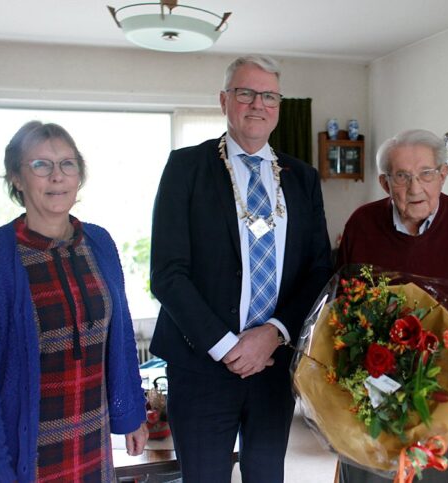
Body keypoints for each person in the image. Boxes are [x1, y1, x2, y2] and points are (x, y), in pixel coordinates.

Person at [149, 55, 332, 482]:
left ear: (279, 106)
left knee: (267, 475)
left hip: (274, 364)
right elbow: (168, 273)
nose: (257, 104)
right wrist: (227, 346)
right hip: (201, 364)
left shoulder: (303, 178)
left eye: (268, 95)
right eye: (245, 93)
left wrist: (273, 334)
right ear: (224, 100)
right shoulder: (185, 169)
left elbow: (319, 269)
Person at [0, 121, 148, 482]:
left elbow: (118, 338)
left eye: (67, 164)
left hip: (93, 446)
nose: (57, 176)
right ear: (17, 178)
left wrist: (131, 413)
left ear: (79, 175)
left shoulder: (100, 244)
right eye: (41, 165)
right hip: (28, 458)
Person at [335, 129, 448, 482]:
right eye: (402, 176)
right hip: (374, 402)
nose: (416, 187)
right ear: (385, 183)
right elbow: (341, 309)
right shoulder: (361, 225)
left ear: (443, 175)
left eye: (427, 174)